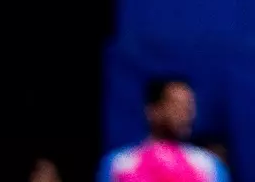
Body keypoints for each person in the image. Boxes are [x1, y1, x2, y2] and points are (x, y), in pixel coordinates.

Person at [98, 77, 228, 182]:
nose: (186, 114)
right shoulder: (120, 164)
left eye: (189, 107)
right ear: (153, 110)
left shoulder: (208, 165)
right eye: (177, 106)